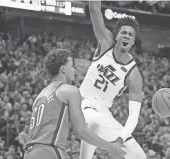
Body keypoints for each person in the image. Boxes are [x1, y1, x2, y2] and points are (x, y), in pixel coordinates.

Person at [24, 49, 125, 159]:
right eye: (72, 66)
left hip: (29, 153)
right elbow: (81, 131)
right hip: (49, 150)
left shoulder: (40, 96)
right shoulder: (69, 90)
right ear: (63, 68)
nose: (74, 70)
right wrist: (110, 147)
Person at [79, 1, 146, 159]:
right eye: (123, 32)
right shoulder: (105, 43)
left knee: (138, 156)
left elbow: (133, 116)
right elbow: (94, 10)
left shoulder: (134, 74)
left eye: (130, 35)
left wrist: (120, 138)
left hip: (103, 112)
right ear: (117, 36)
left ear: (133, 42)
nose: (126, 36)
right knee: (94, 122)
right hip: (82, 101)